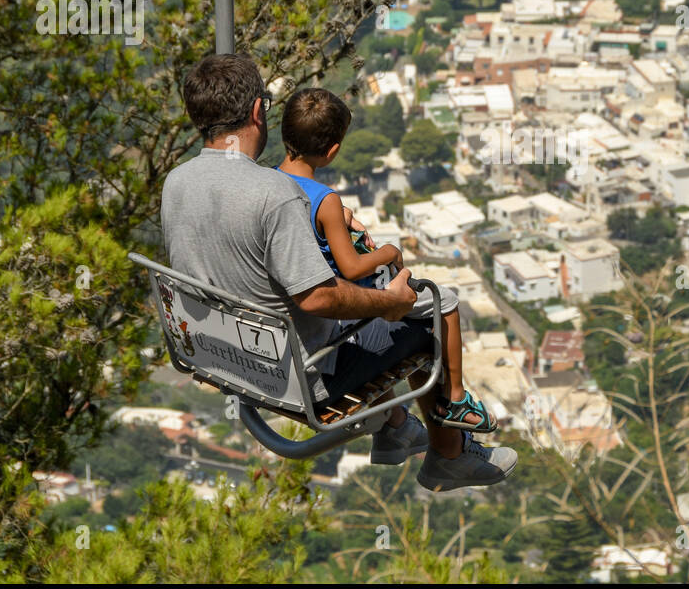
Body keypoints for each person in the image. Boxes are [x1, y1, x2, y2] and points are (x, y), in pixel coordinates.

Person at [161, 54, 516, 490]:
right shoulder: (276, 194)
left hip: (222, 357)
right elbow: (319, 299)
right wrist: (390, 303)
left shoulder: (176, 182)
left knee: (372, 304)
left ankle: (396, 425)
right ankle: (449, 456)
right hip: (301, 378)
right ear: (257, 111)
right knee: (428, 313)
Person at [275, 86, 498, 433]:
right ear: (332, 151)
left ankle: (396, 428)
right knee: (446, 303)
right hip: (349, 299)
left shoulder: (273, 182)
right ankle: (455, 399)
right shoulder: (326, 200)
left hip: (299, 329)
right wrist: (389, 252)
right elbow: (350, 267)